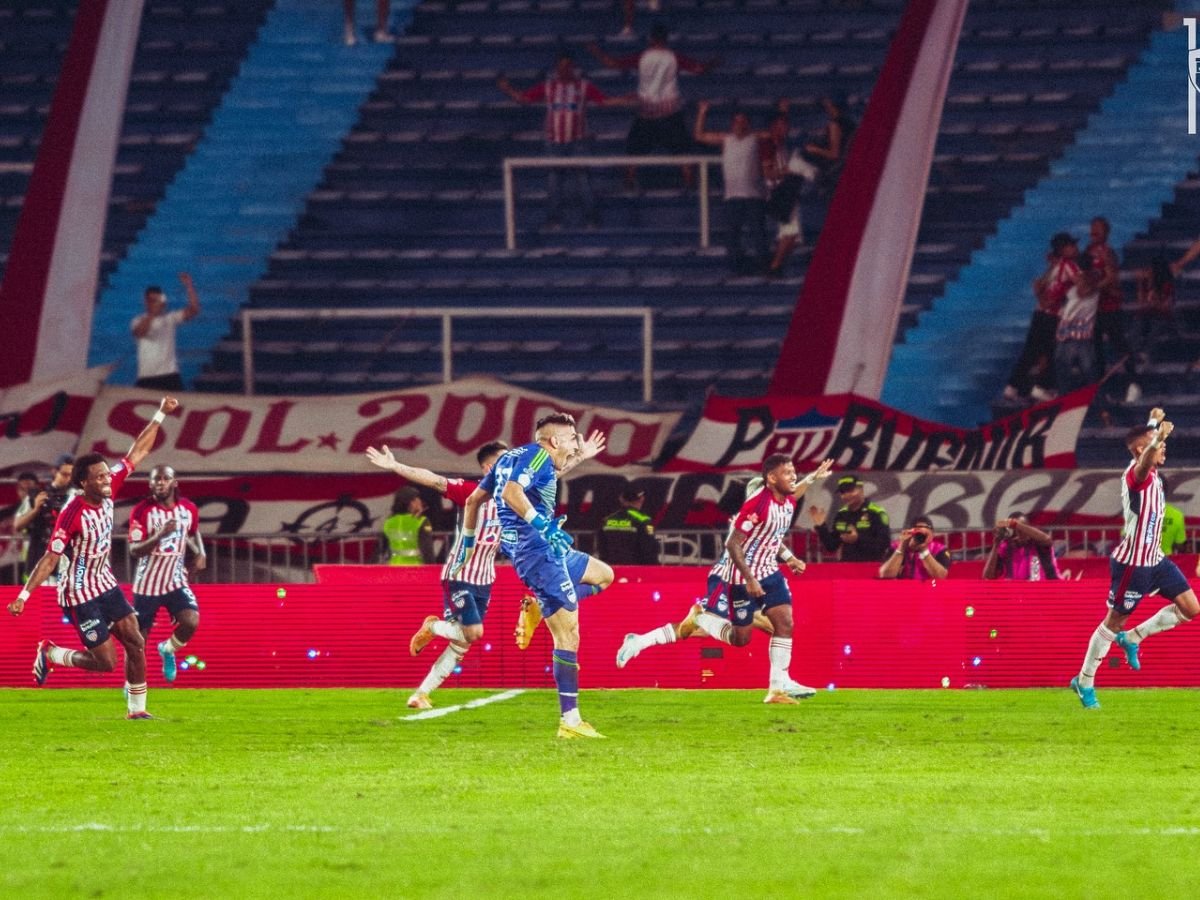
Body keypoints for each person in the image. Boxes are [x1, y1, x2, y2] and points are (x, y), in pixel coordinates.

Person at [7, 397, 179, 720]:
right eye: (99, 477)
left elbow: (137, 452)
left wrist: (160, 414)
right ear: (83, 483)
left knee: (136, 642)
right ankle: (52, 653)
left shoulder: (109, 485)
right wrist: (24, 596)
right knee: (106, 662)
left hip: (105, 584)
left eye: (105, 475)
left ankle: (137, 712)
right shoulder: (71, 514)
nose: (106, 480)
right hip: (77, 594)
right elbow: (49, 557)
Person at [615, 458, 834, 703]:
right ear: (767, 484)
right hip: (732, 576)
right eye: (787, 473)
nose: (792, 478)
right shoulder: (751, 511)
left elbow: (771, 538)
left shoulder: (782, 503)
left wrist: (791, 557)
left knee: (782, 623)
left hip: (767, 572)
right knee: (731, 636)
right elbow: (735, 544)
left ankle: (778, 686)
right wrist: (750, 578)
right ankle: (650, 637)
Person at [458, 413, 615, 739]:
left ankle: (539, 608)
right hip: (540, 555)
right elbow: (511, 494)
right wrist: (543, 525)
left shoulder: (516, 457)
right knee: (568, 637)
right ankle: (569, 721)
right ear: (555, 441)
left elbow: (474, 500)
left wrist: (469, 543)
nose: (576, 443)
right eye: (573, 439)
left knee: (605, 576)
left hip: (548, 550)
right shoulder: (538, 456)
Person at [366, 440, 510, 710]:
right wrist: (395, 465)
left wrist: (575, 457)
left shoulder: (515, 496)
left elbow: (547, 474)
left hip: (485, 578)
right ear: (490, 467)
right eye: (507, 460)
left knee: (462, 643)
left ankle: (421, 694)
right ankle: (431, 626)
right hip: (460, 573)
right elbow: (434, 480)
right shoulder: (471, 492)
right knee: (473, 632)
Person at [1071, 409, 1199, 710]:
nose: (1164, 446)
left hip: (1156, 559)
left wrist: (1153, 422)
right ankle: (1084, 681)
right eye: (1158, 443)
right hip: (1134, 564)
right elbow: (1142, 458)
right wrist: (1157, 437)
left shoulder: (1151, 471)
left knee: (1192, 609)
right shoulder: (1136, 475)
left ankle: (1134, 638)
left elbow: (1144, 446)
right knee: (1113, 622)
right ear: (1143, 450)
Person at [497, 54, 632, 229]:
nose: (564, 70)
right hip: (554, 142)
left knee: (583, 180)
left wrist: (624, 99)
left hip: (578, 142)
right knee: (554, 182)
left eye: (568, 66)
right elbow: (523, 99)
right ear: (556, 69)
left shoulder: (584, 86)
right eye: (561, 67)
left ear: (573, 67)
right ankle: (554, 221)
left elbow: (604, 101)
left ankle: (592, 220)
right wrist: (507, 89)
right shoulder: (548, 87)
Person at [587, 24, 718, 189]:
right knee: (683, 153)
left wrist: (595, 51)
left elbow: (612, 64)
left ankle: (628, 185)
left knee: (633, 153)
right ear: (666, 39)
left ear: (651, 39)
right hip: (670, 112)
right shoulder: (674, 57)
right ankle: (690, 186)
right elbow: (699, 69)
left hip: (646, 113)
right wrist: (713, 63)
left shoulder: (642, 56)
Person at [128, 465, 206, 683]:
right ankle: (132, 684)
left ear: (175, 482)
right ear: (150, 484)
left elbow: (193, 531)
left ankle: (167, 649)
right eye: (156, 479)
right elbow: (134, 550)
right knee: (138, 641)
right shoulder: (142, 511)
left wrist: (201, 553)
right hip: (147, 584)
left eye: (166, 478)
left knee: (191, 622)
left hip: (175, 580)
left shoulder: (189, 508)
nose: (161, 482)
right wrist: (159, 535)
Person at [694, 100, 768, 274]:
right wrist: (702, 113)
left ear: (748, 124)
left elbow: (775, 134)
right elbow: (699, 135)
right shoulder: (726, 139)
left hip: (753, 196)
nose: (740, 125)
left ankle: (765, 268)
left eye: (743, 122)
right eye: (737, 122)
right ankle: (737, 268)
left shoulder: (756, 139)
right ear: (732, 124)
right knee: (732, 236)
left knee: (759, 234)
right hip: (733, 197)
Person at [1003, 232, 1079, 402]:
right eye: (1072, 246)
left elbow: (1038, 286)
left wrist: (1043, 299)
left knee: (1031, 352)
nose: (1076, 249)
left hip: (1039, 314)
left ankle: (1012, 386)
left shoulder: (1053, 267)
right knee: (1052, 352)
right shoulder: (1068, 265)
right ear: (1063, 249)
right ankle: (1043, 387)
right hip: (1051, 317)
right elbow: (1081, 284)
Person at [762, 107, 816, 277]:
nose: (783, 129)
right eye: (780, 126)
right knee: (790, 232)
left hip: (787, 191)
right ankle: (774, 266)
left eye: (785, 126)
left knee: (791, 234)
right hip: (778, 193)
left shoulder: (783, 146)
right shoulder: (769, 145)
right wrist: (788, 172)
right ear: (772, 127)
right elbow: (767, 173)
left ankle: (776, 265)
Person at [131, 273, 200, 391]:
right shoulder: (137, 320)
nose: (154, 303)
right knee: (144, 408)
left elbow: (194, 310)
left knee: (174, 406)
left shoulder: (170, 318)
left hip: (169, 375)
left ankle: (164, 410)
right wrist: (152, 314)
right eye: (151, 300)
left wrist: (189, 286)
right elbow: (140, 332)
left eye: (156, 300)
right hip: (146, 377)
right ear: (146, 302)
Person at [13, 454, 75, 583]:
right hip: (40, 559)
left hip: (67, 562)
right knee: (40, 601)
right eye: (64, 474)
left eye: (71, 475)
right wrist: (35, 510)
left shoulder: (77, 497)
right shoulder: (37, 495)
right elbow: (17, 525)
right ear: (54, 471)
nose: (68, 479)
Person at [809, 475, 891, 562]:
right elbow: (831, 546)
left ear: (861, 490)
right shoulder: (842, 514)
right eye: (842, 492)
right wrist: (822, 527)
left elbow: (884, 545)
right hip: (847, 567)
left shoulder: (876, 512)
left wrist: (858, 539)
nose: (846, 495)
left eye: (850, 490)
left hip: (870, 567)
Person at [1054, 253, 1101, 395]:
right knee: (1061, 365)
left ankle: (1098, 401)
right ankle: (1064, 399)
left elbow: (1083, 291)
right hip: (1067, 330)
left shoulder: (1092, 277)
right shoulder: (1077, 280)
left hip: (1082, 331)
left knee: (1089, 368)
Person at [802, 95, 856, 199]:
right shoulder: (851, 124)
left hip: (834, 173)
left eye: (828, 105)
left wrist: (814, 149)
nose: (826, 108)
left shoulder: (834, 125)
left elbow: (834, 154)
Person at [982, 513, 1061, 581]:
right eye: (1015, 529)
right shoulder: (1006, 547)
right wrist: (996, 544)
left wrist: (1015, 524)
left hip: (1048, 591)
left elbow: (1048, 539)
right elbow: (988, 576)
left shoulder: (1038, 542)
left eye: (1022, 527)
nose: (1020, 532)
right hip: (1020, 593)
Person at [598, 487, 659, 565]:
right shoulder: (643, 520)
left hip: (612, 568)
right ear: (641, 499)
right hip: (636, 568)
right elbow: (649, 548)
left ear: (621, 499)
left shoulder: (607, 520)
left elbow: (602, 547)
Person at [878, 515, 951, 580]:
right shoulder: (895, 547)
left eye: (923, 534)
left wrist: (924, 550)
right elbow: (885, 575)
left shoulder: (939, 549)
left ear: (932, 534)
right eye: (917, 533)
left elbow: (940, 576)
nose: (920, 537)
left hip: (930, 590)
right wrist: (902, 547)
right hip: (901, 590)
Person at [380, 486, 435, 565]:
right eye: (416, 499)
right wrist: (432, 571)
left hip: (394, 567)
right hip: (414, 568)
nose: (419, 501)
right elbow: (428, 551)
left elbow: (382, 548)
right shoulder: (421, 521)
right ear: (411, 502)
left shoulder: (389, 522)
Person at [1158, 475, 1187, 556]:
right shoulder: (1177, 515)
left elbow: (1125, 541)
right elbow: (1180, 546)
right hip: (1166, 562)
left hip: (1141, 564)